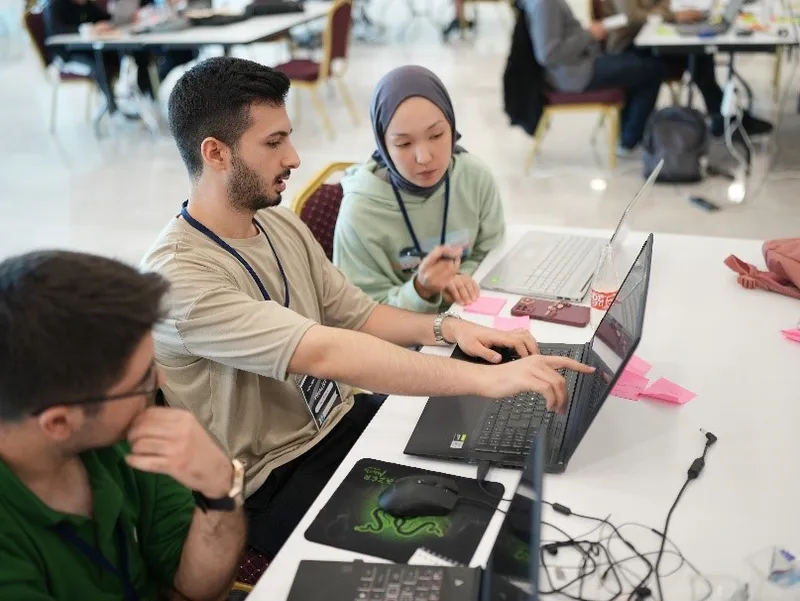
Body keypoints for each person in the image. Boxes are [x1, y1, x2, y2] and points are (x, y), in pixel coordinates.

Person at [142, 56, 593, 560]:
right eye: (273, 143)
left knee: (505, 482)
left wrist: (448, 329)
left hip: (342, 420)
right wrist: (484, 379)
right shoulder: (179, 278)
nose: (294, 157)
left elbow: (358, 314)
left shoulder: (276, 223)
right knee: (456, 550)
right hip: (273, 477)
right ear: (216, 153)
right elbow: (326, 352)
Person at [0, 251, 246, 600]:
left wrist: (221, 489)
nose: (160, 381)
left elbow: (198, 589)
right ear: (59, 422)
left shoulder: (124, 436)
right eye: (142, 380)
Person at [334, 65, 505, 313]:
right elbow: (357, 314)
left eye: (436, 135)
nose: (424, 157)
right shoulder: (359, 213)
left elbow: (491, 251)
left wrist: (461, 278)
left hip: (469, 315)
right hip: (399, 335)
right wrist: (421, 290)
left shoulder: (475, 178)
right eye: (404, 143)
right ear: (383, 145)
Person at [602, 0, 773, 137]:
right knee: (695, 55)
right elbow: (632, 16)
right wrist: (669, 16)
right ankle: (722, 118)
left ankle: (721, 117)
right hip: (629, 44)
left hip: (652, 33)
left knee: (700, 54)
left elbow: (664, 4)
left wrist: (661, 14)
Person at [524, 0, 666, 155]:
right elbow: (549, 54)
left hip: (578, 67)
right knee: (652, 69)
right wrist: (590, 35)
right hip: (576, 74)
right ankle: (629, 139)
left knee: (638, 61)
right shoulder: (545, 4)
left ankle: (629, 133)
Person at [43, 0, 155, 116]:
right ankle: (112, 107)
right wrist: (89, 29)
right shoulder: (54, 5)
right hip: (67, 55)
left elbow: (106, 19)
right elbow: (56, 30)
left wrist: (122, 20)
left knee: (136, 54)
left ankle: (148, 99)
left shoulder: (87, 5)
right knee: (100, 64)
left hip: (91, 50)